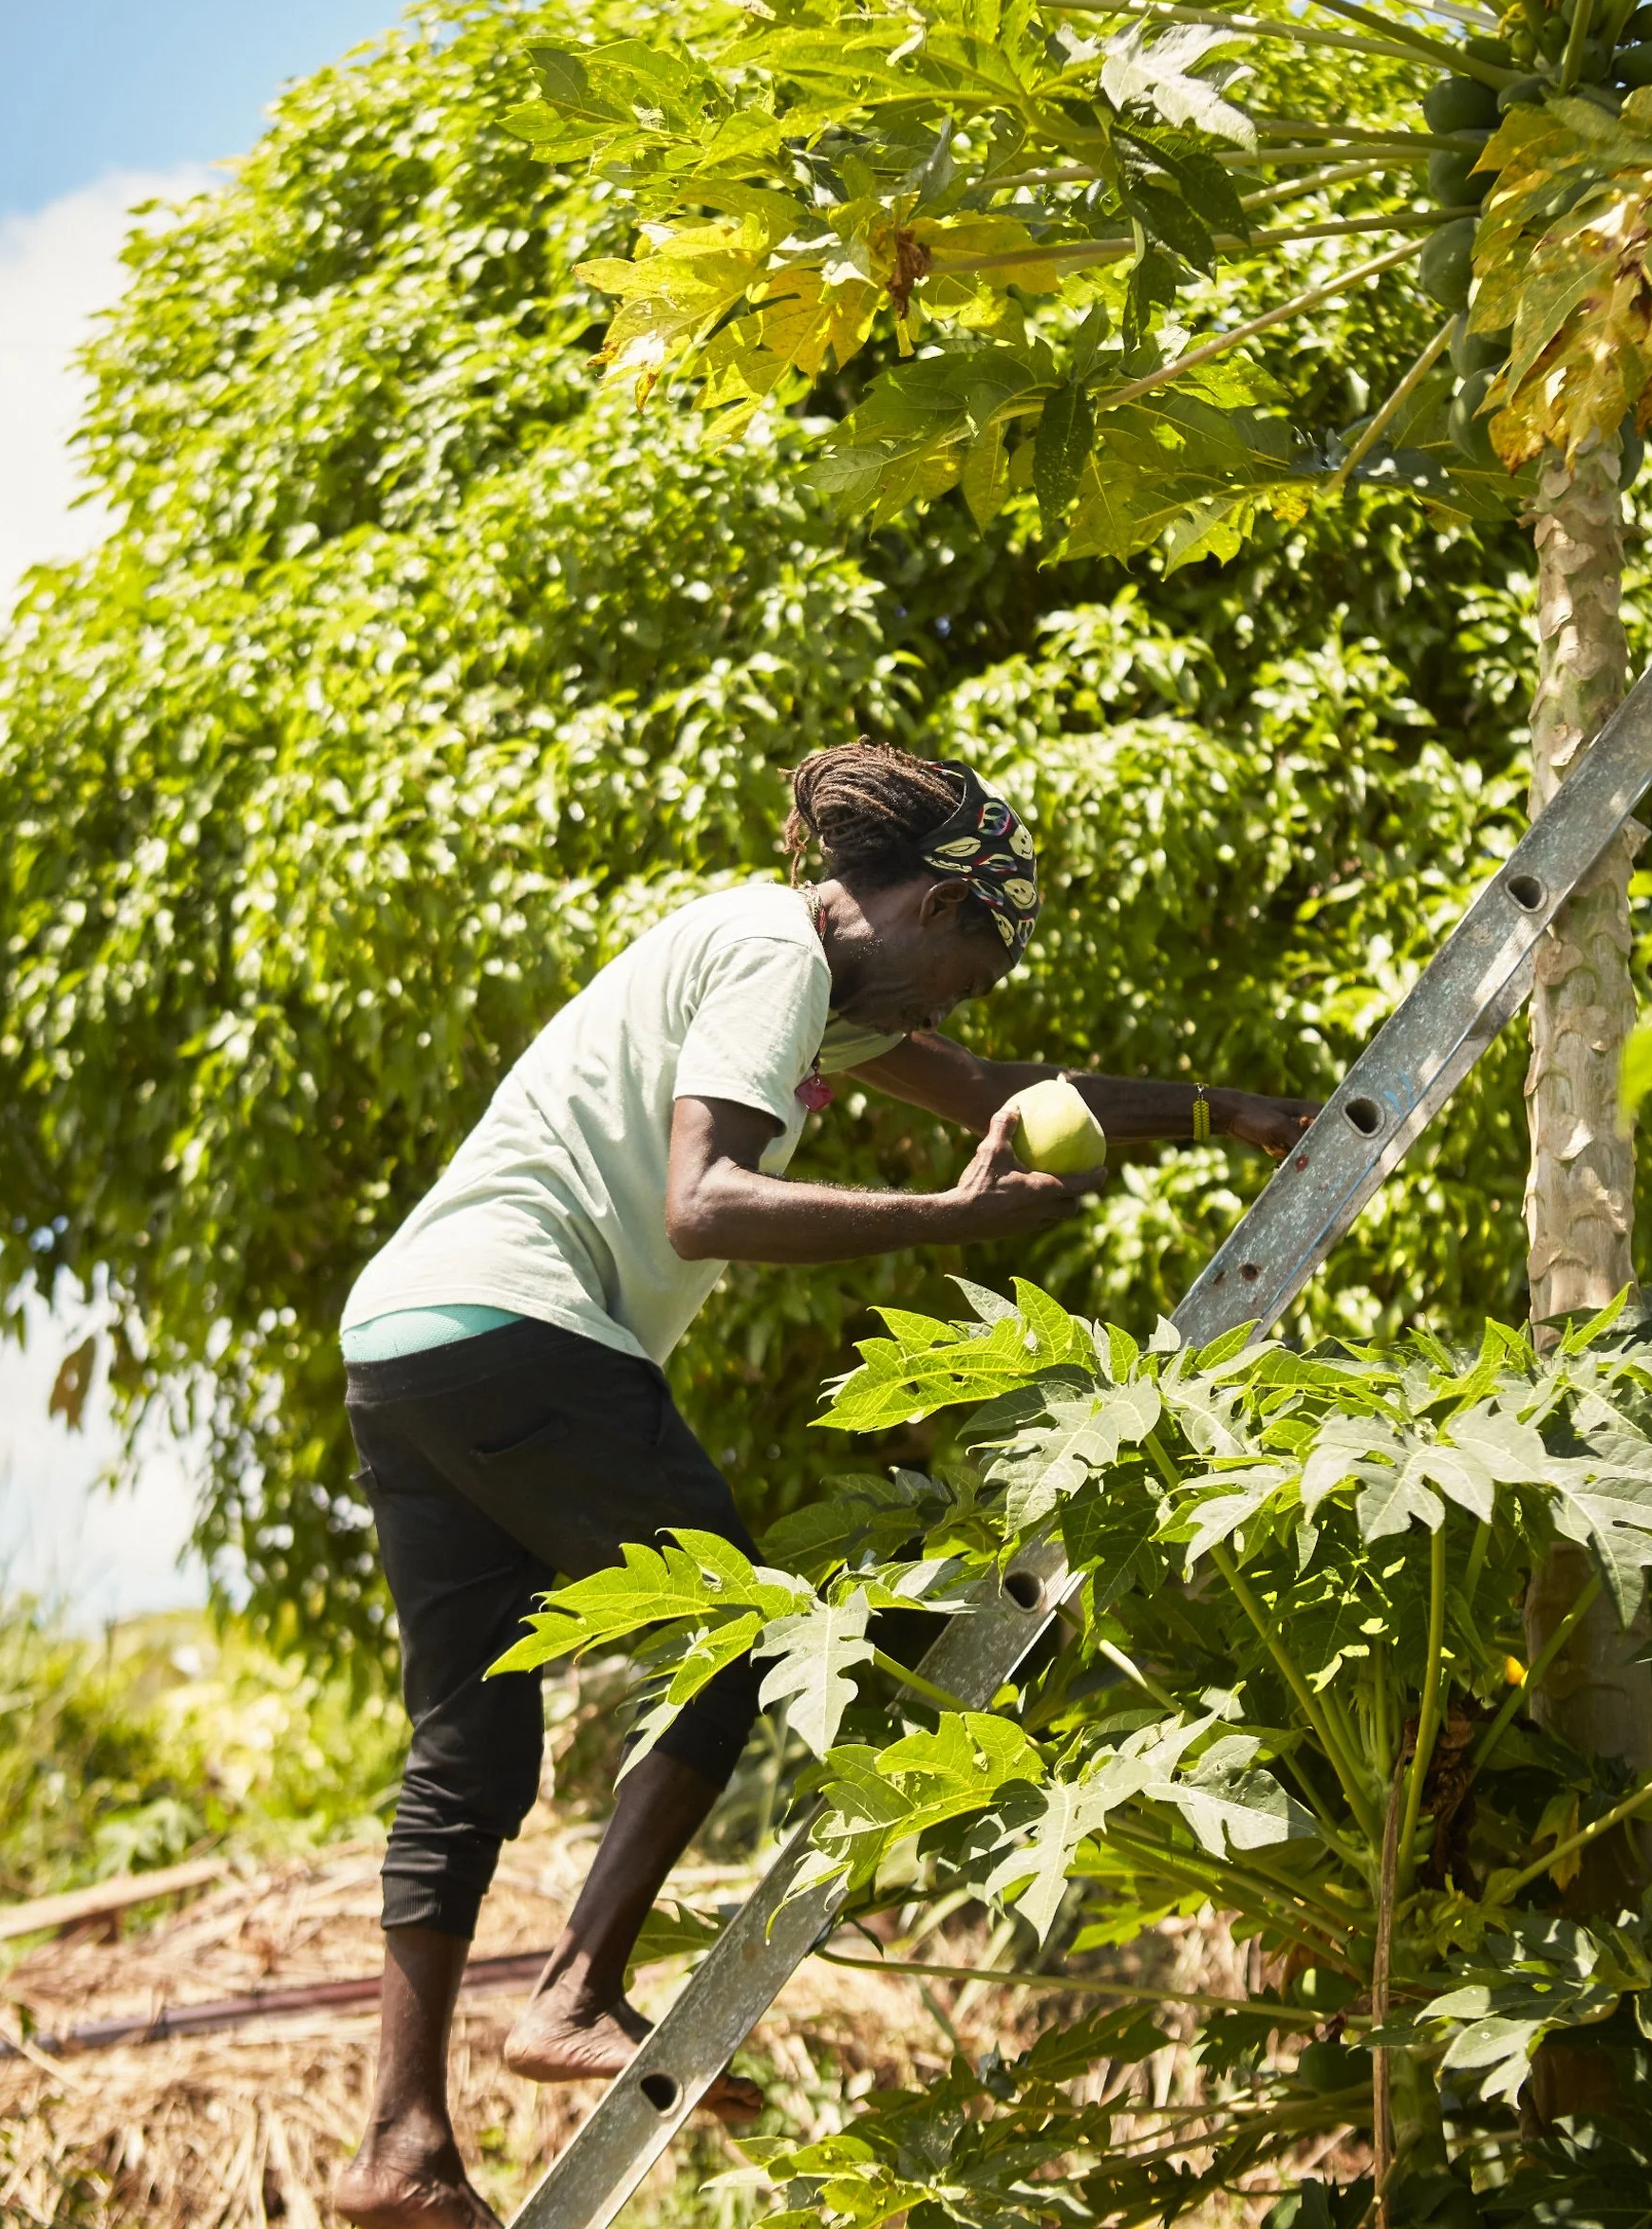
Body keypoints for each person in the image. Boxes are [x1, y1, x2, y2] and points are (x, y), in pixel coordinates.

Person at [333, 741, 1315, 2229]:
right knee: (742, 1624)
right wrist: (954, 1218)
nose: (959, 1007)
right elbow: (704, 1203)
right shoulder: (775, 955)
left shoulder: (815, 992)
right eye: (974, 966)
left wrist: (1223, 1110)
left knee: (467, 1753)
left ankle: (399, 2148)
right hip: (524, 1322)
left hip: (407, 1344)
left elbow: (984, 1090)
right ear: (936, 903)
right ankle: (573, 1992)